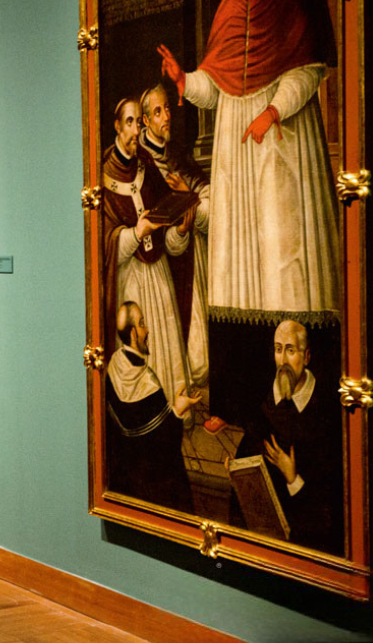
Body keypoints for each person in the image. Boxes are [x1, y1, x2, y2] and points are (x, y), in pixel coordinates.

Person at [157, 0, 340, 324]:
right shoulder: (228, 7)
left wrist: (272, 112)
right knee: (241, 260)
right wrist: (184, 80)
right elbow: (216, 87)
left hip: (281, 145)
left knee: (283, 250)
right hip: (237, 158)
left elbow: (308, 71)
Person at [102, 97, 196, 407]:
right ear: (117, 126)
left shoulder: (146, 165)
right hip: (129, 283)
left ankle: (175, 415)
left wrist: (180, 231)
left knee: (167, 347)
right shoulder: (103, 174)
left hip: (159, 276)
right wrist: (135, 233)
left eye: (137, 123)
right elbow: (105, 247)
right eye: (128, 122)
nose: (134, 131)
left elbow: (167, 228)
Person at [231, 319, 343, 553]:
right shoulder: (261, 402)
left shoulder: (325, 411)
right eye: (278, 349)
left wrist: (293, 478)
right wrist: (238, 472)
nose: (282, 361)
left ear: (307, 357)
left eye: (290, 350)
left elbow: (329, 510)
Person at [138, 84, 210, 389]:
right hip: (159, 265)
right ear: (145, 120)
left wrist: (188, 197)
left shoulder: (177, 153)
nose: (166, 116)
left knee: (200, 360)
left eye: (167, 108)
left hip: (190, 259)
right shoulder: (141, 163)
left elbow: (206, 198)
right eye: (158, 112)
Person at [106, 301, 201, 512]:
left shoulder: (113, 366)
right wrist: (179, 409)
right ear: (133, 333)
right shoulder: (148, 383)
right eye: (142, 324)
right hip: (154, 486)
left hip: (125, 482)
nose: (147, 330)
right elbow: (166, 443)